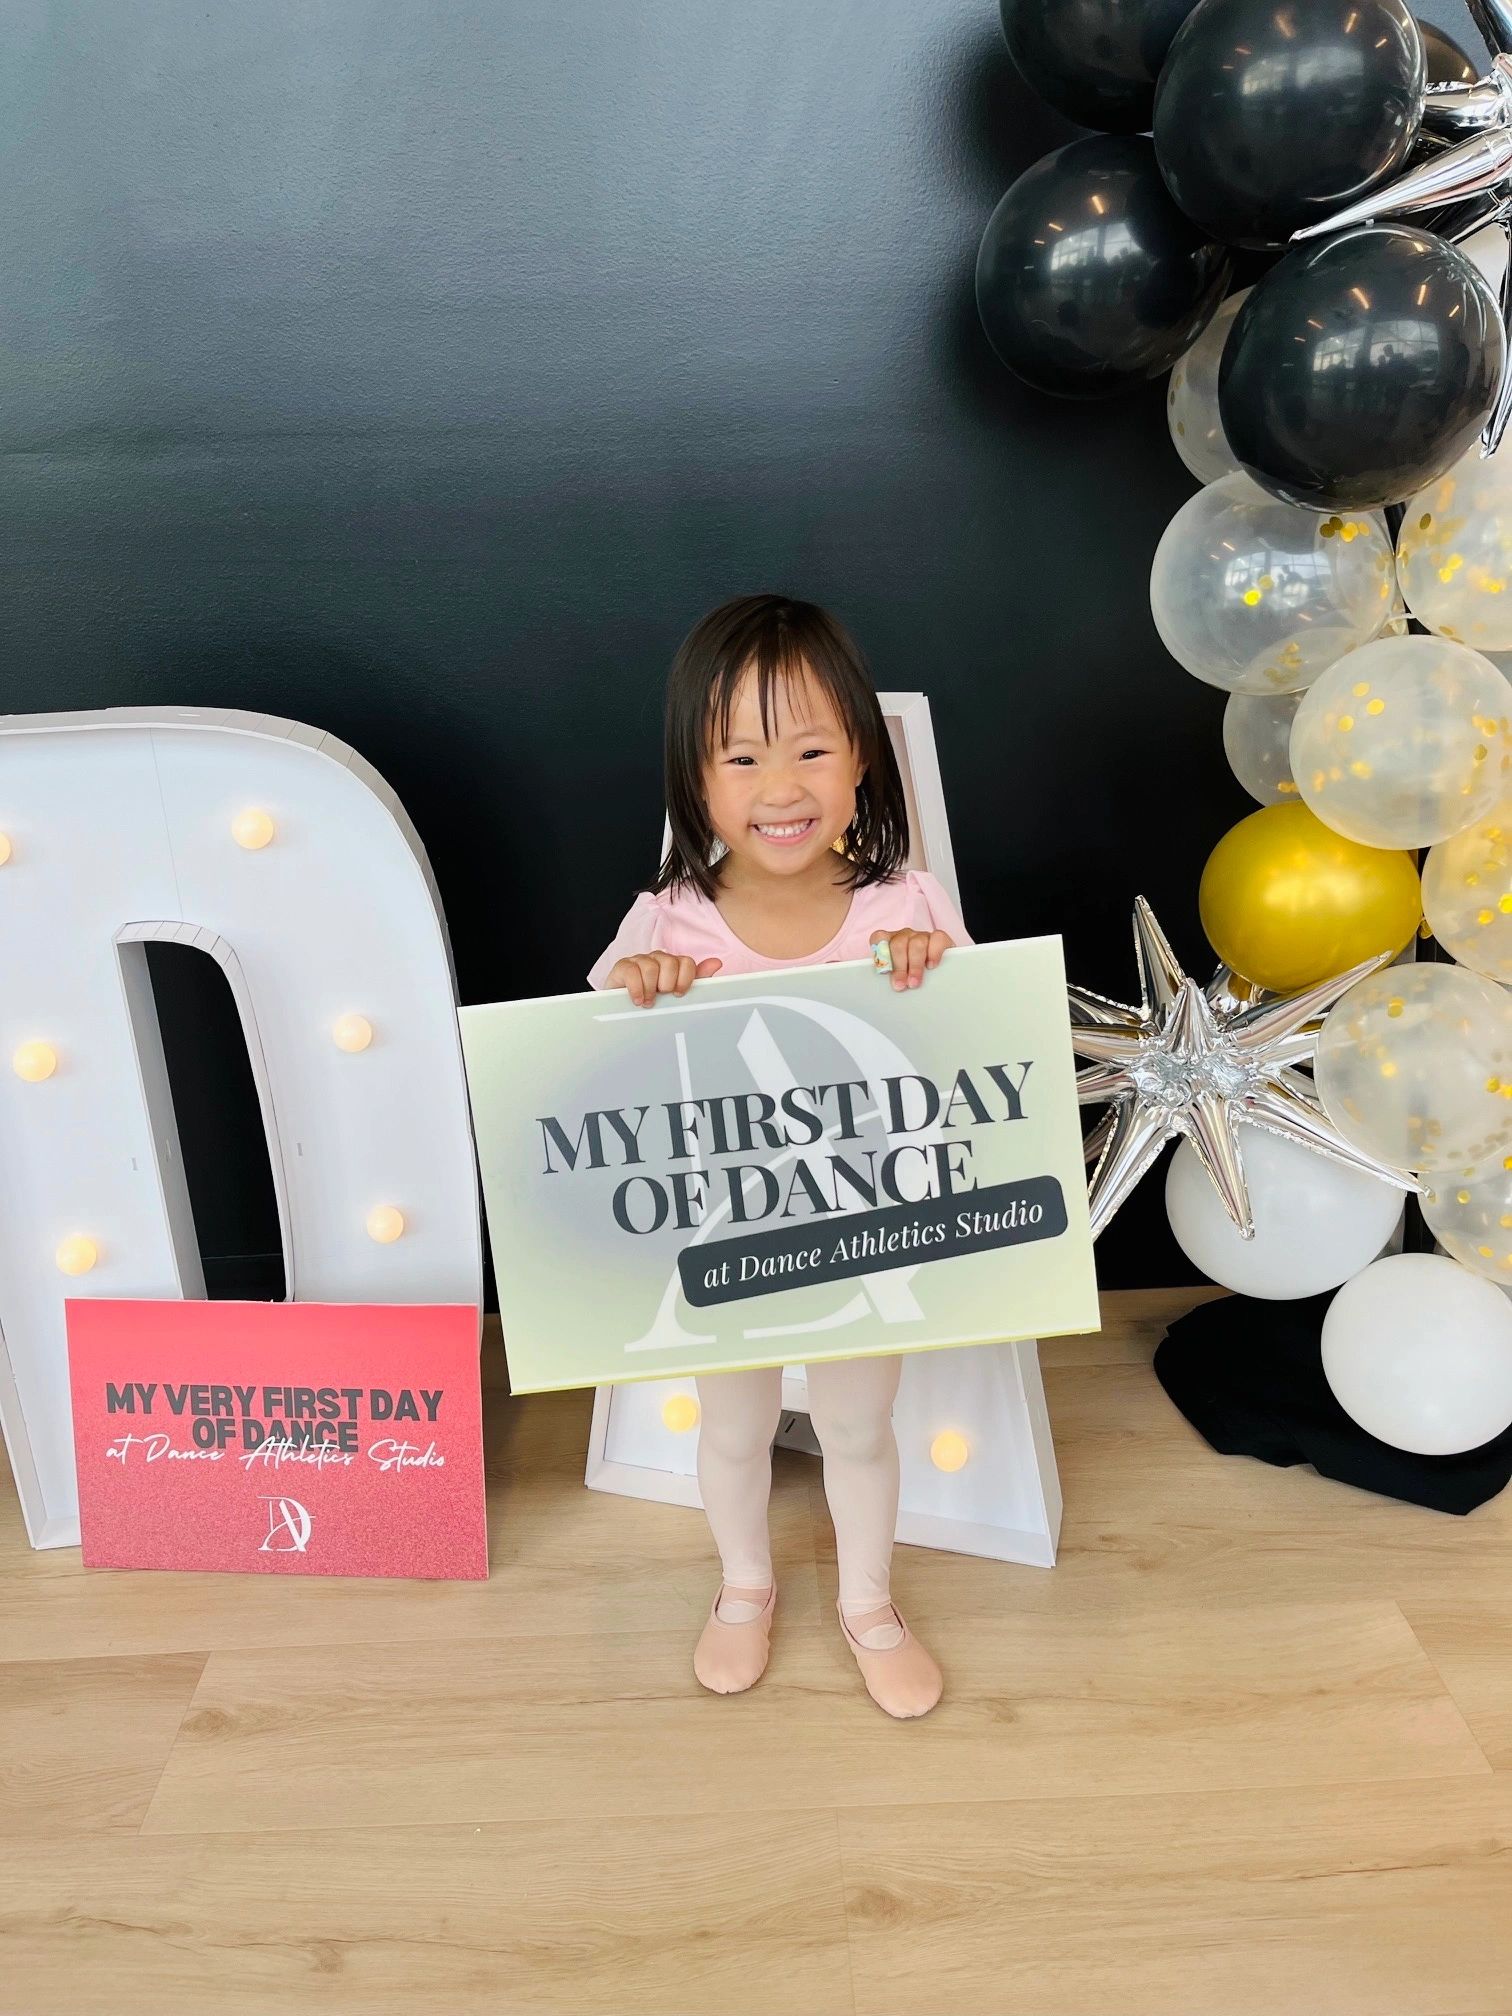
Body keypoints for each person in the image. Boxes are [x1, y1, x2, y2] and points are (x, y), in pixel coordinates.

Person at [586, 593, 972, 1719]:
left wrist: (932, 967)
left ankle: (868, 1605)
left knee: (857, 1425)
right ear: (696, 781)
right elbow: (581, 1061)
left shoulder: (906, 902)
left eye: (811, 749)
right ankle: (745, 1587)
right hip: (725, 1242)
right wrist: (634, 987)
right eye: (742, 758)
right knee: (735, 1425)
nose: (782, 786)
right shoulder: (669, 917)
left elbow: (973, 1062)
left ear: (864, 760)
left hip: (865, 1234)